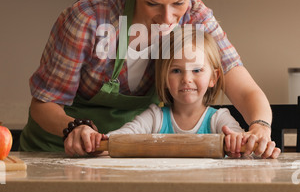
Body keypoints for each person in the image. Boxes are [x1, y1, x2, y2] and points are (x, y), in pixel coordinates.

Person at [20, 0, 277, 158]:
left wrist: (260, 126)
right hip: (56, 151)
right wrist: (73, 129)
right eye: (153, 3)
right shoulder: (90, 18)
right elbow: (45, 103)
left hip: (125, 156)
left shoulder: (196, 19)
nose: (167, 18)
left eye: (178, 2)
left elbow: (244, 90)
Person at [106, 28, 280, 159]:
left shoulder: (219, 119)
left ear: (214, 77)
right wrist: (94, 140)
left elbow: (246, 149)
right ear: (164, 77)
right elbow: (115, 141)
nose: (186, 79)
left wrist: (253, 146)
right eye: (176, 71)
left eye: (197, 70)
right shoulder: (154, 118)